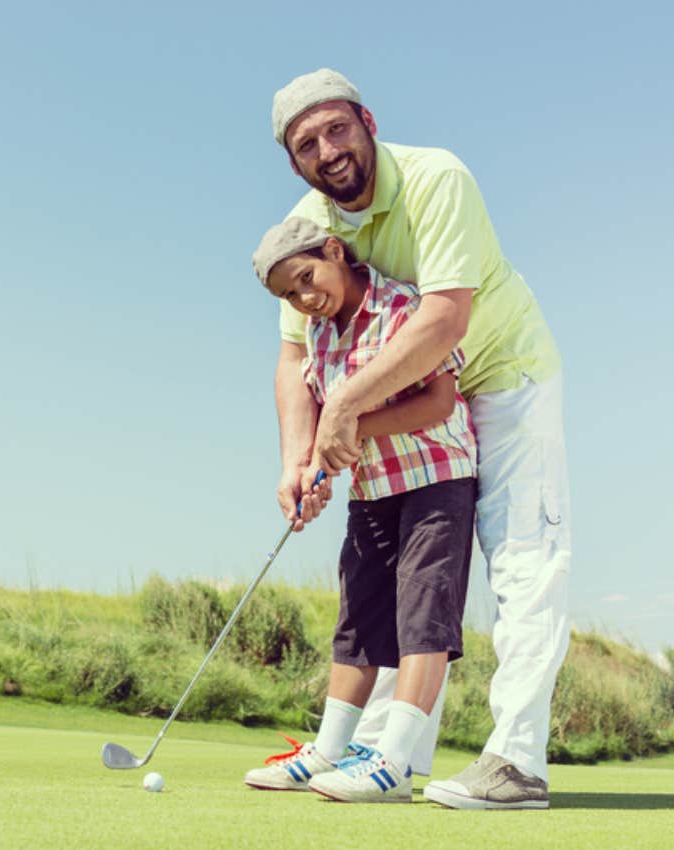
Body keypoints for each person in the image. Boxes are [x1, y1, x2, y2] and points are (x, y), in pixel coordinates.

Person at [266, 68, 571, 810]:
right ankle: (388, 753)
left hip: (502, 375)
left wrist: (347, 410)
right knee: (393, 584)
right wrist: (299, 458)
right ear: (295, 160)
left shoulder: (437, 177)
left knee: (522, 561)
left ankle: (517, 760)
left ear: (367, 121)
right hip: (404, 415)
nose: (327, 149)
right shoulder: (312, 221)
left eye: (337, 128)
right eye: (307, 143)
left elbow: (444, 321)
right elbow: (295, 354)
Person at [243, 216, 477, 803]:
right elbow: (326, 428)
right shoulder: (318, 335)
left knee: (423, 615)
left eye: (306, 278)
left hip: (435, 479)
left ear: (333, 250)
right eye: (289, 295)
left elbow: (440, 400)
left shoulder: (400, 306)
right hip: (372, 490)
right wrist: (311, 474)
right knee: (358, 621)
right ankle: (329, 750)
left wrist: (351, 426)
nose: (304, 298)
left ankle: (395, 763)